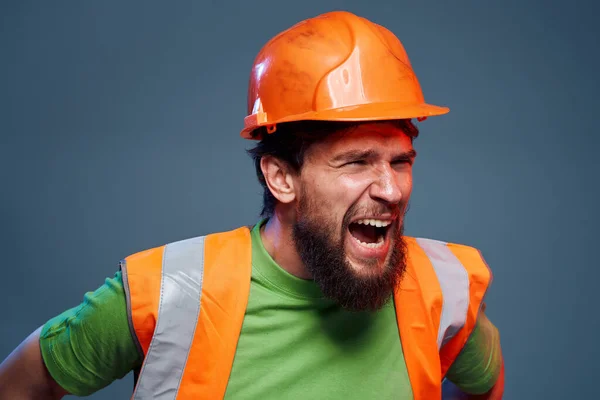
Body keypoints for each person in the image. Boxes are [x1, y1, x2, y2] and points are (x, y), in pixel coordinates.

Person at [0, 10, 504, 400]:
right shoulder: (168, 293)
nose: (391, 190)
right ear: (281, 176)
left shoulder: (445, 285)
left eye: (400, 162)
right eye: (355, 163)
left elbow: (484, 381)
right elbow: (21, 384)